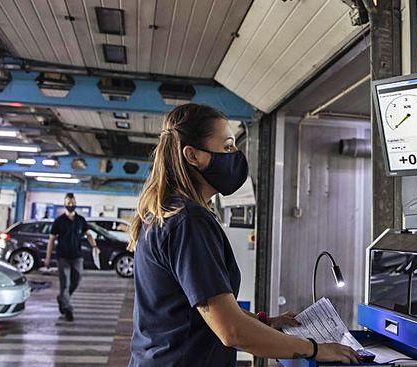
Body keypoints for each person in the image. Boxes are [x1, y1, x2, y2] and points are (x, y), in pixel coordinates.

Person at [128, 104, 360, 366]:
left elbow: (206, 310)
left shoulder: (165, 213)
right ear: (192, 156)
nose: (235, 155)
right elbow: (231, 331)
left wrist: (264, 323)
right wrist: (314, 349)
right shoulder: (188, 222)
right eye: (227, 146)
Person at [44, 193, 99, 322]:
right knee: (65, 284)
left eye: (72, 203)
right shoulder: (59, 221)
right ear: (64, 204)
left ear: (75, 203)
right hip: (62, 256)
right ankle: (68, 309)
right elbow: (51, 240)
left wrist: (94, 246)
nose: (70, 205)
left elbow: (89, 234)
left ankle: (62, 298)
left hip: (77, 256)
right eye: (68, 203)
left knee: (76, 280)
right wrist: (47, 258)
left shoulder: (80, 220)